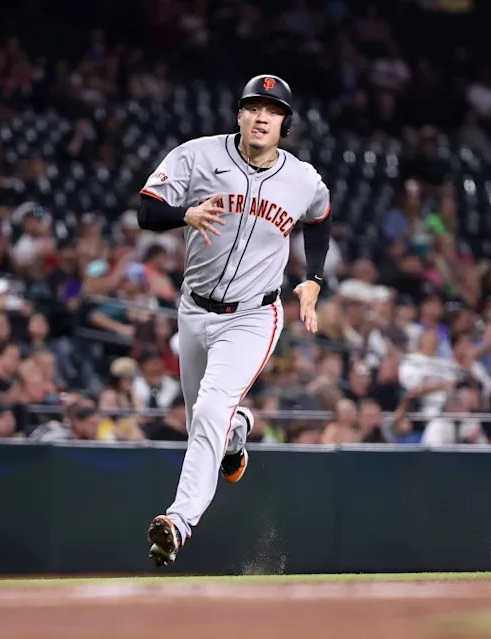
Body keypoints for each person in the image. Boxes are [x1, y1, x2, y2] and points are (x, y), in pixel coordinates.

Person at [137, 75, 331, 566]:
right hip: (193, 309)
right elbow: (147, 211)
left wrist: (314, 278)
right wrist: (185, 214)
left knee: (208, 412)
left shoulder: (302, 179)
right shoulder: (198, 155)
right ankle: (239, 432)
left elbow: (320, 219)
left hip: (253, 315)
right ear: (238, 115)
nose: (262, 117)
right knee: (203, 421)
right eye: (253, 107)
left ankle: (177, 524)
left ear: (285, 123)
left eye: (273, 109)